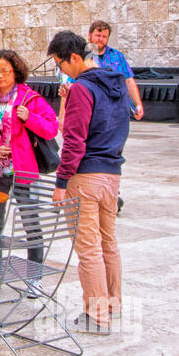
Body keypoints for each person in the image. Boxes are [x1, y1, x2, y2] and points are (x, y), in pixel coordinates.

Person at [48, 30, 131, 334]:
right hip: (112, 174)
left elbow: (73, 142)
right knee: (108, 241)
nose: (61, 71)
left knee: (88, 249)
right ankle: (113, 304)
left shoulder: (82, 88)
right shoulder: (115, 83)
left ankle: (96, 315)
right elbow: (121, 127)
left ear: (74, 58)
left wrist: (60, 182)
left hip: (85, 176)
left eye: (61, 64)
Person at [0, 49, 58, 297]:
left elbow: (51, 128)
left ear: (15, 71)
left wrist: (30, 118)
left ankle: (35, 278)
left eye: (5, 70)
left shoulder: (31, 99)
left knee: (31, 225)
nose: (0, 76)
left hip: (24, 171)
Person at [88, 20, 143, 120]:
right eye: (98, 35)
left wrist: (138, 105)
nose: (100, 39)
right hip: (93, 112)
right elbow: (72, 85)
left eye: (104, 37)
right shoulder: (83, 57)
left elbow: (129, 81)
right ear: (90, 35)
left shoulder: (117, 55)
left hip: (117, 111)